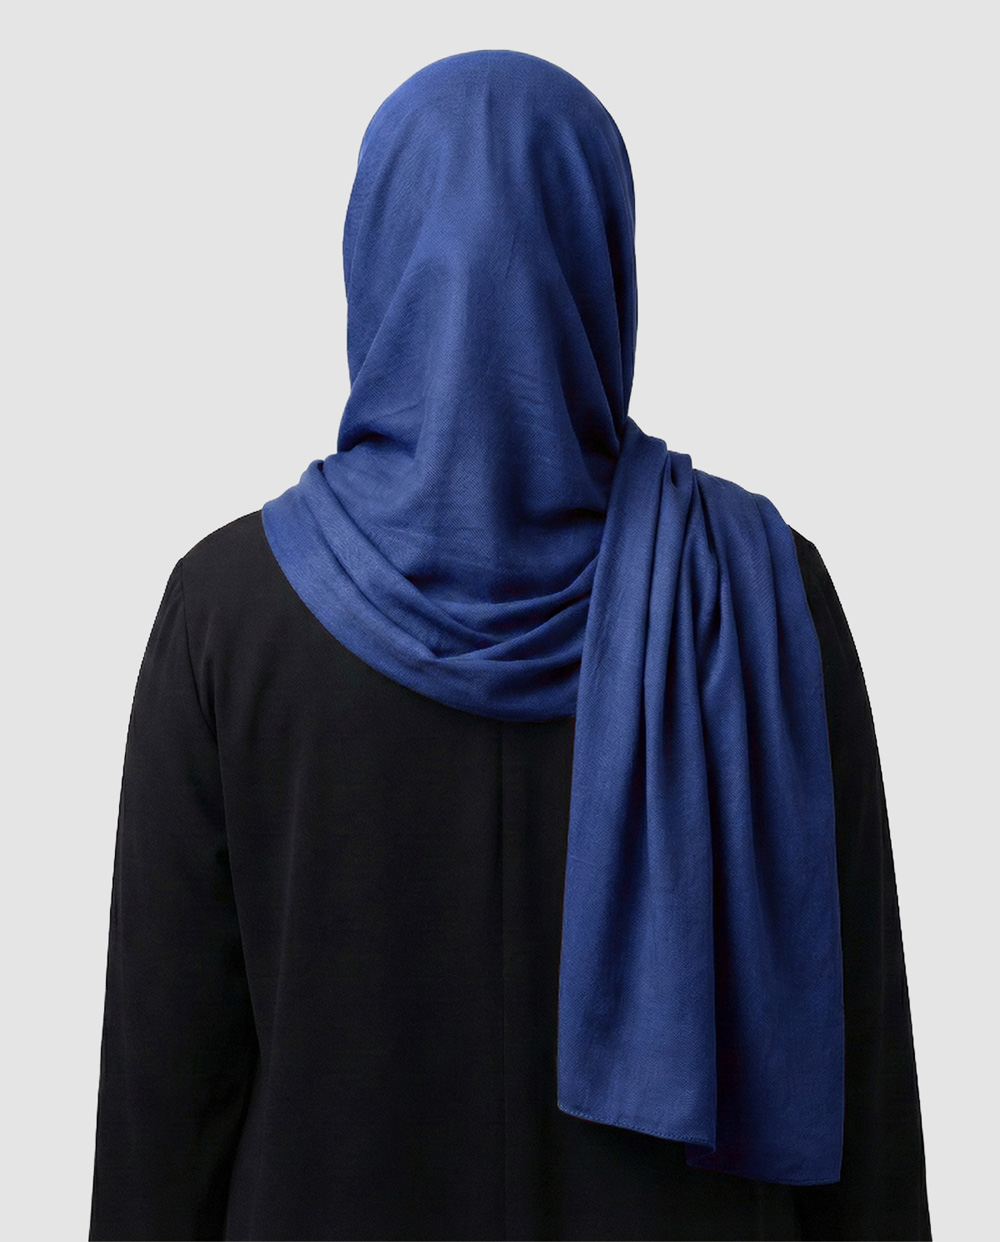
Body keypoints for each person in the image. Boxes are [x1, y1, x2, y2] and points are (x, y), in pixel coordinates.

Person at [88, 50, 931, 1242]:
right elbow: (864, 1093)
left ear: (374, 257)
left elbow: (165, 1105)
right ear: (605, 260)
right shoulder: (759, 590)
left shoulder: (227, 611)